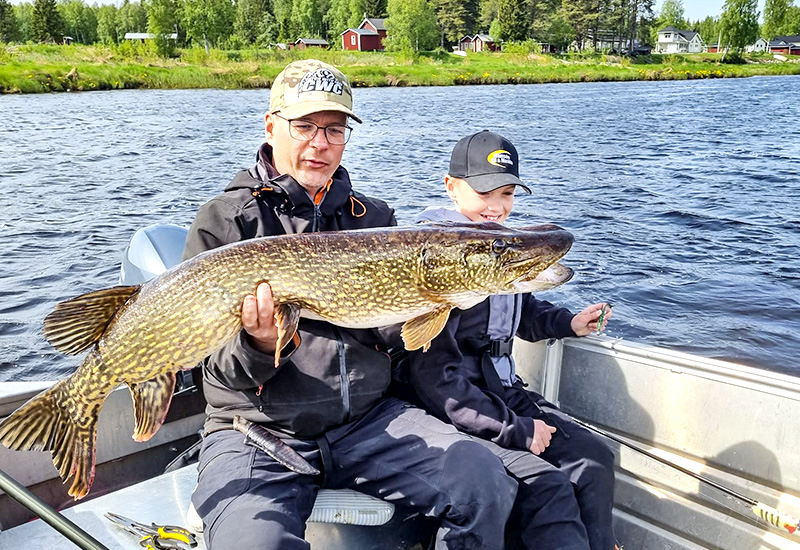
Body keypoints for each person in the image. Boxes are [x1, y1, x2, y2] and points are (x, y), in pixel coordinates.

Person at [182, 60, 518, 550]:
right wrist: (258, 344)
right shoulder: (226, 221)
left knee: (483, 480)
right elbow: (215, 375)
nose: (320, 143)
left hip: (367, 422)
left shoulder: (376, 217)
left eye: (335, 130)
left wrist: (430, 301)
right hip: (256, 432)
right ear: (272, 125)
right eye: (305, 127)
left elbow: (392, 339)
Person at [400, 130, 618, 550]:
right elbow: (433, 380)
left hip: (503, 389)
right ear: (451, 187)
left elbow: (522, 314)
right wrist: (513, 430)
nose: (497, 207)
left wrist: (568, 324)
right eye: (484, 193)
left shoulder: (502, 253)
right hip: (459, 403)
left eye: (507, 194)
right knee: (548, 487)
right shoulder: (437, 259)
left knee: (594, 460)